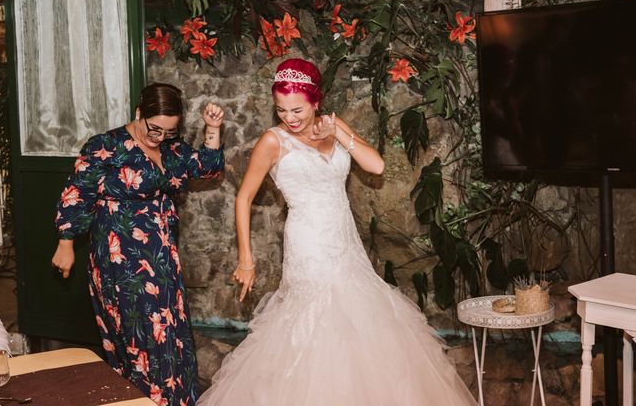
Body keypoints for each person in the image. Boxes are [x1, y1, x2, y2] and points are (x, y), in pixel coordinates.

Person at [197, 59, 476, 405]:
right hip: (309, 245)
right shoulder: (273, 141)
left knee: (361, 319)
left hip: (345, 243)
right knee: (317, 321)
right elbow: (243, 198)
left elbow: (376, 165)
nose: (290, 117)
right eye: (282, 109)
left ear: (316, 102)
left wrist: (337, 131)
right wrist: (246, 258)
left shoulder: (332, 125)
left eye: (297, 109)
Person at [52, 83, 225, 406]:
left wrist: (213, 129)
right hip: (121, 258)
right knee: (141, 337)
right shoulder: (106, 146)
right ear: (138, 113)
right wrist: (65, 243)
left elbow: (208, 167)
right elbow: (77, 194)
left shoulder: (172, 149)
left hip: (162, 257)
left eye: (167, 131)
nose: (158, 137)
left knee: (171, 334)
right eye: (153, 128)